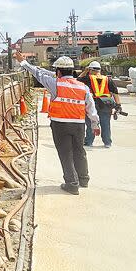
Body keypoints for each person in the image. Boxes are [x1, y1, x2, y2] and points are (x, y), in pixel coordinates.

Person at [14, 52, 100, 195]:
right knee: (79, 151)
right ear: (72, 71)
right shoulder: (82, 87)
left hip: (60, 125)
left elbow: (38, 74)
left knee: (66, 153)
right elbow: (91, 108)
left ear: (58, 71)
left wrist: (24, 63)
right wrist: (95, 125)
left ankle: (72, 184)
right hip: (79, 125)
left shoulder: (56, 83)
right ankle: (83, 179)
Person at [77, 61, 121, 148]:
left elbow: (77, 81)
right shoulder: (108, 79)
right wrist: (118, 106)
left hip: (92, 104)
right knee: (105, 124)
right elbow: (115, 93)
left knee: (91, 123)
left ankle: (89, 141)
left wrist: (85, 71)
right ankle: (107, 142)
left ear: (90, 69)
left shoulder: (87, 78)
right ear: (100, 70)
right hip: (106, 104)